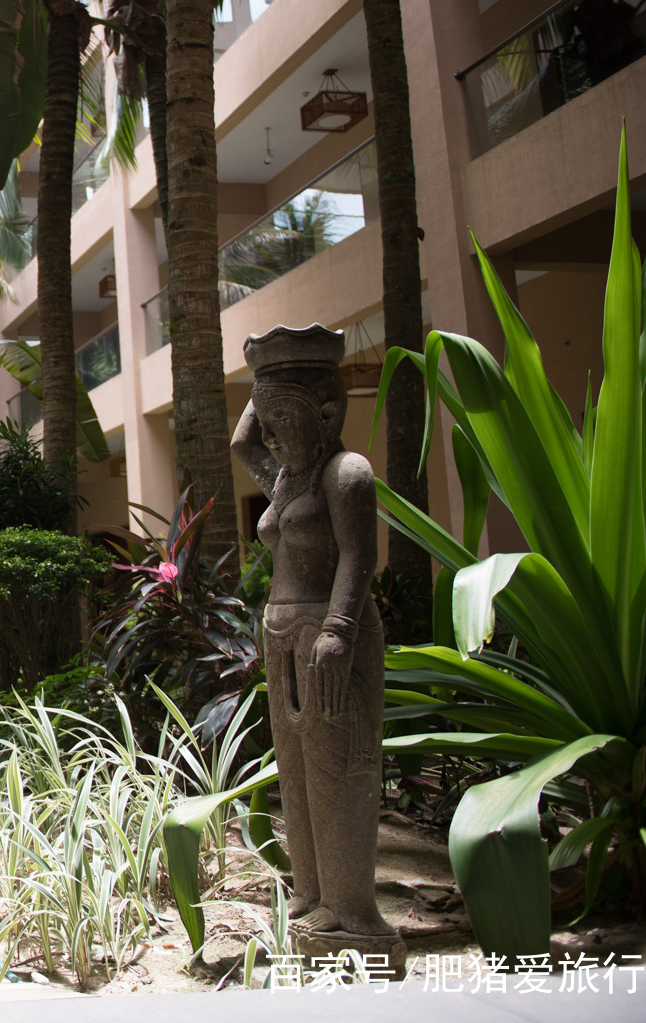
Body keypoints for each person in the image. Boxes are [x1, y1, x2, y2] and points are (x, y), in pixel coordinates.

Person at [231, 324, 397, 950]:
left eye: (284, 419)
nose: (269, 435)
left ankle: (353, 911)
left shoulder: (343, 472)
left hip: (331, 635)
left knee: (338, 770)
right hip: (283, 637)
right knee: (296, 772)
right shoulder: (285, 479)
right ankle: (310, 892)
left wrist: (339, 629)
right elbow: (241, 437)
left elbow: (359, 558)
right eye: (267, 419)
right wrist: (267, 376)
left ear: (328, 413)